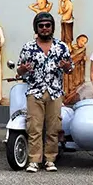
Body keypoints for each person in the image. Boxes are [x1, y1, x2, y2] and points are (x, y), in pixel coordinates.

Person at [15, 11, 73, 173]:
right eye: (41, 26)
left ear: (52, 27)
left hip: (54, 92)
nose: (45, 28)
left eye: (48, 25)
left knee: (54, 127)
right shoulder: (28, 47)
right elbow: (19, 71)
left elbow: (70, 69)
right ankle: (34, 160)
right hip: (35, 92)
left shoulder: (61, 46)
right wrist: (23, 69)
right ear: (36, 28)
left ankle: (50, 159)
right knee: (34, 127)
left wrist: (66, 66)